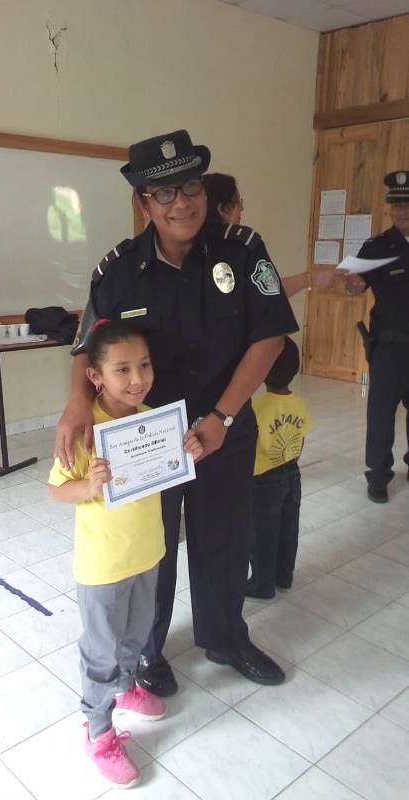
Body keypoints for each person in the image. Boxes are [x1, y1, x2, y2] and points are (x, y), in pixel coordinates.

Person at [55, 129, 299, 697]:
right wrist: (77, 400)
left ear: (204, 189)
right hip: (145, 438)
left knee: (226, 536)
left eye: (190, 186)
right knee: (152, 545)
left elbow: (269, 338)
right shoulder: (118, 270)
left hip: (224, 427)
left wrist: (223, 418)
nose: (181, 202)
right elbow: (88, 344)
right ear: (144, 203)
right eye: (163, 193)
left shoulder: (242, 249)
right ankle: (148, 649)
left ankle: (226, 638)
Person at [49, 319, 202, 788]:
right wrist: (88, 485)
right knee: (101, 650)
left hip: (147, 552)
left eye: (144, 365)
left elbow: (168, 469)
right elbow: (57, 490)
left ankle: (127, 686)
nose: (138, 379)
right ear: (95, 377)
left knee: (137, 633)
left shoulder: (153, 419)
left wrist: (187, 450)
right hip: (103, 566)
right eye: (122, 370)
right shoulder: (84, 430)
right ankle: (98, 732)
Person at [345, 171, 409, 503]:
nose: (401, 212)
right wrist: (352, 283)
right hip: (389, 348)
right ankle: (378, 476)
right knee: (381, 414)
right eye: (396, 206)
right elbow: (354, 284)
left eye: (407, 205)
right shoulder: (378, 247)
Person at [245, 336, 310, 599]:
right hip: (293, 474)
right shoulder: (300, 403)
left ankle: (262, 584)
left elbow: (250, 447)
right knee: (288, 528)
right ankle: (285, 575)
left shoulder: (257, 408)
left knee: (262, 534)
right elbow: (301, 441)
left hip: (263, 481)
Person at [202, 172, 340, 296]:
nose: (242, 208)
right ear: (223, 209)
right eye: (238, 202)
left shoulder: (195, 248)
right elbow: (270, 290)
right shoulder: (244, 244)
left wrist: (311, 278)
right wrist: (311, 278)